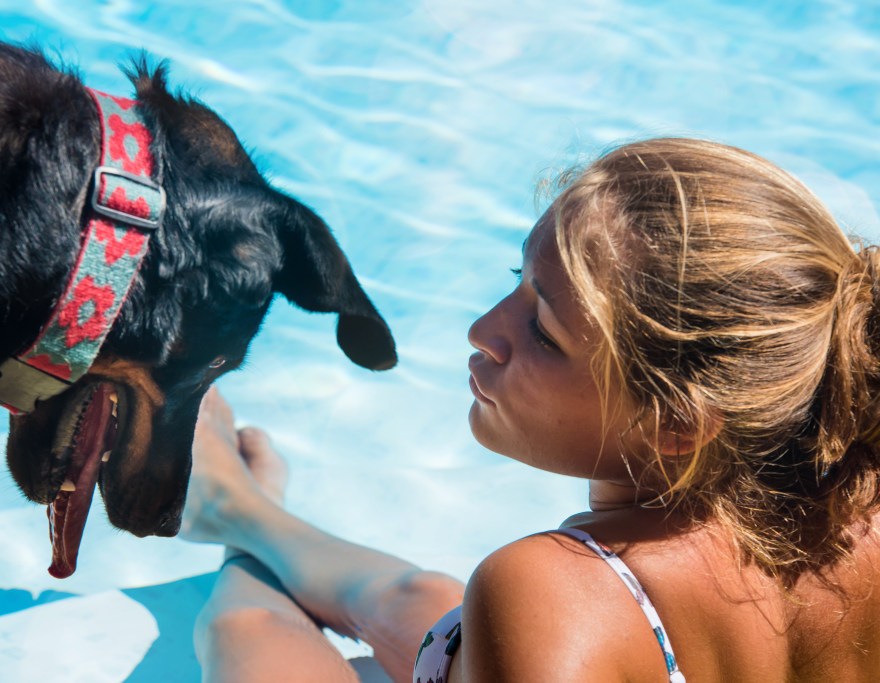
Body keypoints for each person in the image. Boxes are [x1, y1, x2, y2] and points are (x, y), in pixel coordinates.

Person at [180, 137, 880, 682]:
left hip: (573, 628)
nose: (483, 330)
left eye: (544, 331)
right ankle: (247, 508)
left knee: (245, 629)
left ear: (678, 422)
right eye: (517, 281)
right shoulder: (849, 504)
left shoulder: (555, 592)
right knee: (423, 597)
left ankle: (238, 519)